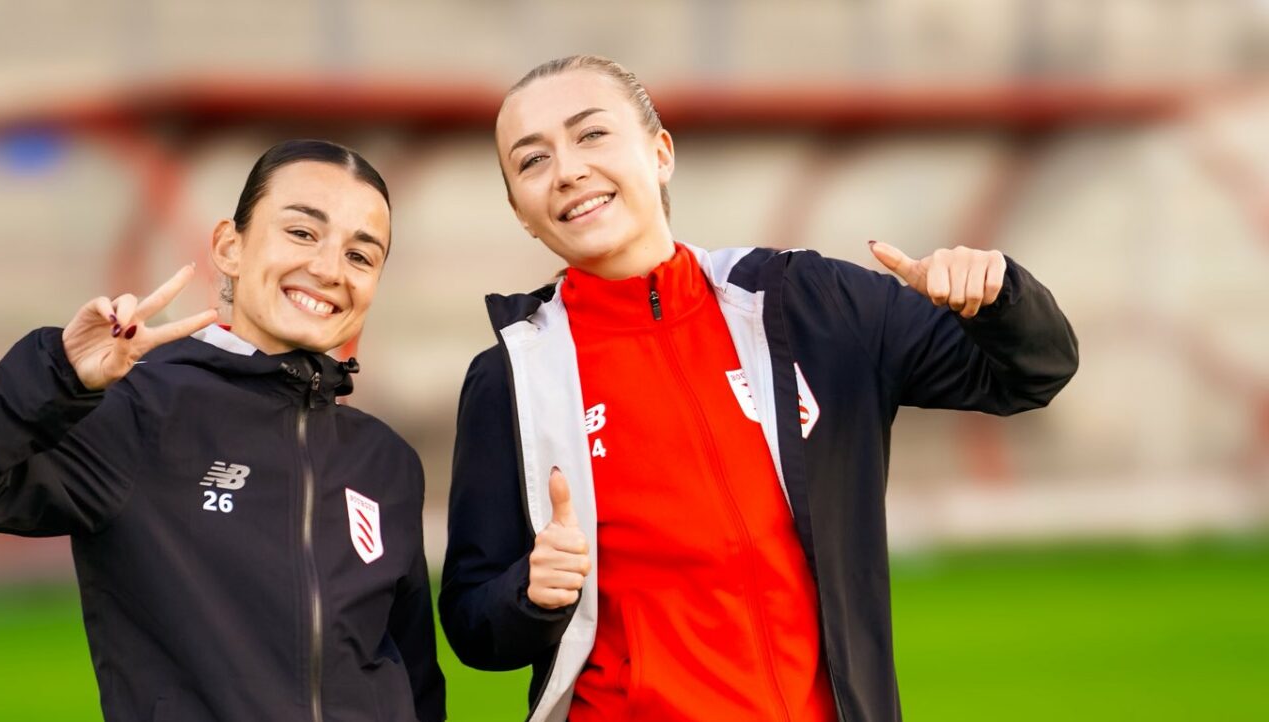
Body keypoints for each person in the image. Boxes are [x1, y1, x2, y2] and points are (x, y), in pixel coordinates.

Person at [439, 55, 1078, 722]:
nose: (568, 170)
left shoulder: (809, 305)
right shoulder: (513, 376)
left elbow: (1032, 371)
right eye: (531, 160)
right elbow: (472, 624)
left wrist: (999, 295)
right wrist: (531, 593)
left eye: (591, 134)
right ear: (521, 212)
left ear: (660, 153)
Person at [0, 140, 445, 722]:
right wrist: (60, 374)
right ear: (229, 246)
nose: (330, 269)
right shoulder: (138, 413)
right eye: (303, 233)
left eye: (361, 256)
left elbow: (416, 682)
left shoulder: (387, 461)